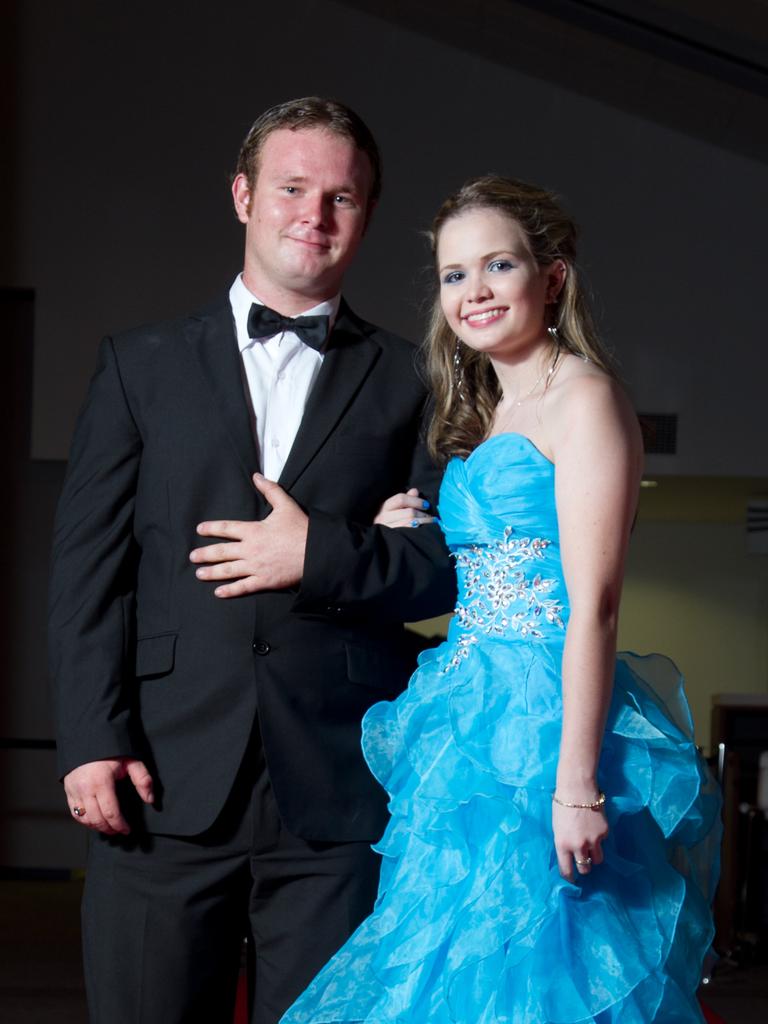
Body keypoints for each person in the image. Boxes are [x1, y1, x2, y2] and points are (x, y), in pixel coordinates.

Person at [48, 97, 455, 1024]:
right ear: (243, 196)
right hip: (156, 778)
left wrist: (323, 553)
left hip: (342, 792)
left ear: (366, 216)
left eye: (341, 197)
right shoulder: (137, 366)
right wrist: (91, 740)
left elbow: (448, 567)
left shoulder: (417, 379)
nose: (314, 215)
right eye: (292, 188)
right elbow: (86, 574)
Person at [280, 176, 722, 1023]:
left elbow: (591, 604)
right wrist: (402, 519)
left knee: (539, 968)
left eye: (497, 265)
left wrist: (578, 787)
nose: (472, 291)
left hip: (547, 723)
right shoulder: (489, 408)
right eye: (453, 274)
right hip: (469, 708)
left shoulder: (585, 398)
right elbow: (491, 557)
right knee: (449, 963)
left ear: (550, 277)